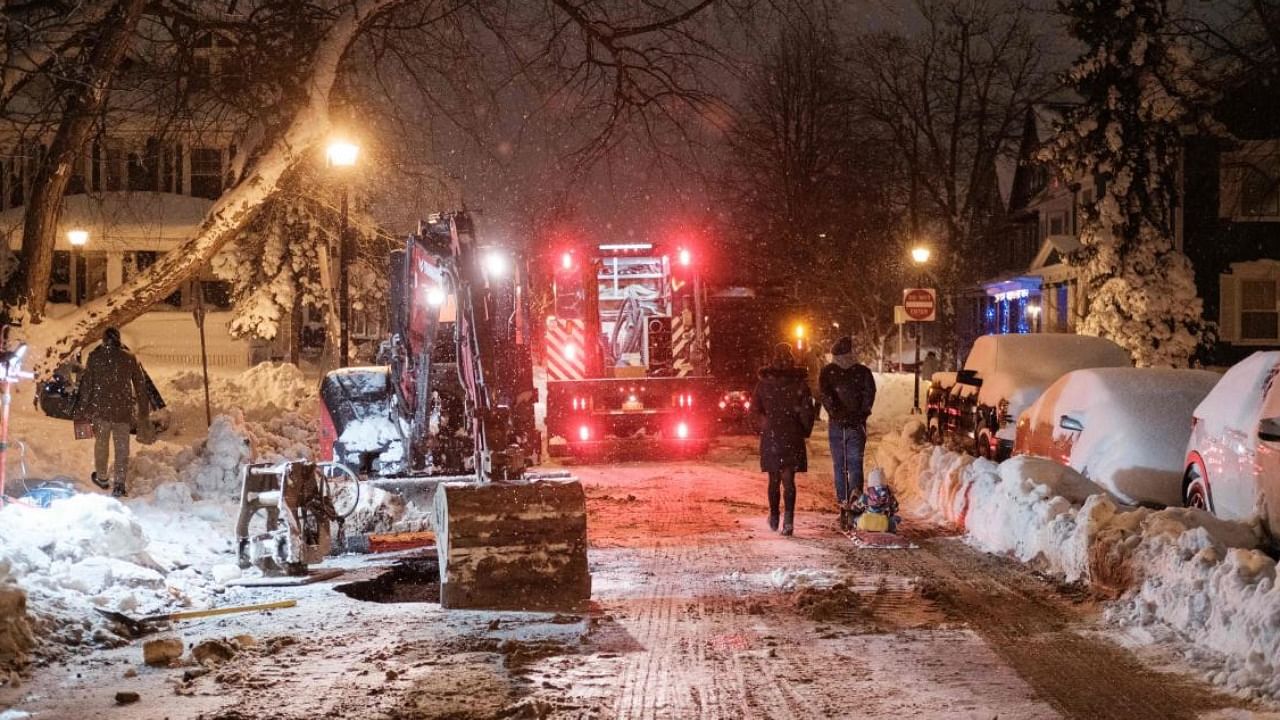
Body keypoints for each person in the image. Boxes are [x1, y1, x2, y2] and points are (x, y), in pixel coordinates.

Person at [74, 327, 150, 498]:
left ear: (103, 339)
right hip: (123, 412)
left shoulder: (95, 357)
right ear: (118, 339)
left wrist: (82, 409)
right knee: (122, 448)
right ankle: (119, 484)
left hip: (101, 411)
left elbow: (87, 385)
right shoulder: (128, 358)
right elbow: (140, 386)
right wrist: (143, 413)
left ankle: (101, 477)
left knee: (101, 445)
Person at [751, 343, 816, 536]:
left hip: (771, 435)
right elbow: (807, 411)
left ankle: (773, 516)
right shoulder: (799, 384)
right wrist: (804, 430)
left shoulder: (763, 383)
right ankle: (788, 519)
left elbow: (754, 410)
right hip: (792, 433)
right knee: (789, 479)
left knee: (773, 479)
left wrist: (762, 428)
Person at [819, 335, 876, 530]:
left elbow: (824, 395)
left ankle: (843, 503)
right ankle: (855, 500)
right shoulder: (863, 372)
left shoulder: (828, 372)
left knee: (840, 465)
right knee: (855, 463)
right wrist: (860, 414)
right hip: (856, 425)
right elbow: (869, 395)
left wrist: (835, 412)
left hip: (837, 425)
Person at [850, 468, 901, 533]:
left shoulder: (864, 497)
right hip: (883, 525)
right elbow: (895, 509)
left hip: (866, 523)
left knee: (854, 518)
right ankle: (892, 530)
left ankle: (855, 526)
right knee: (897, 519)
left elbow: (855, 508)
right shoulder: (890, 497)